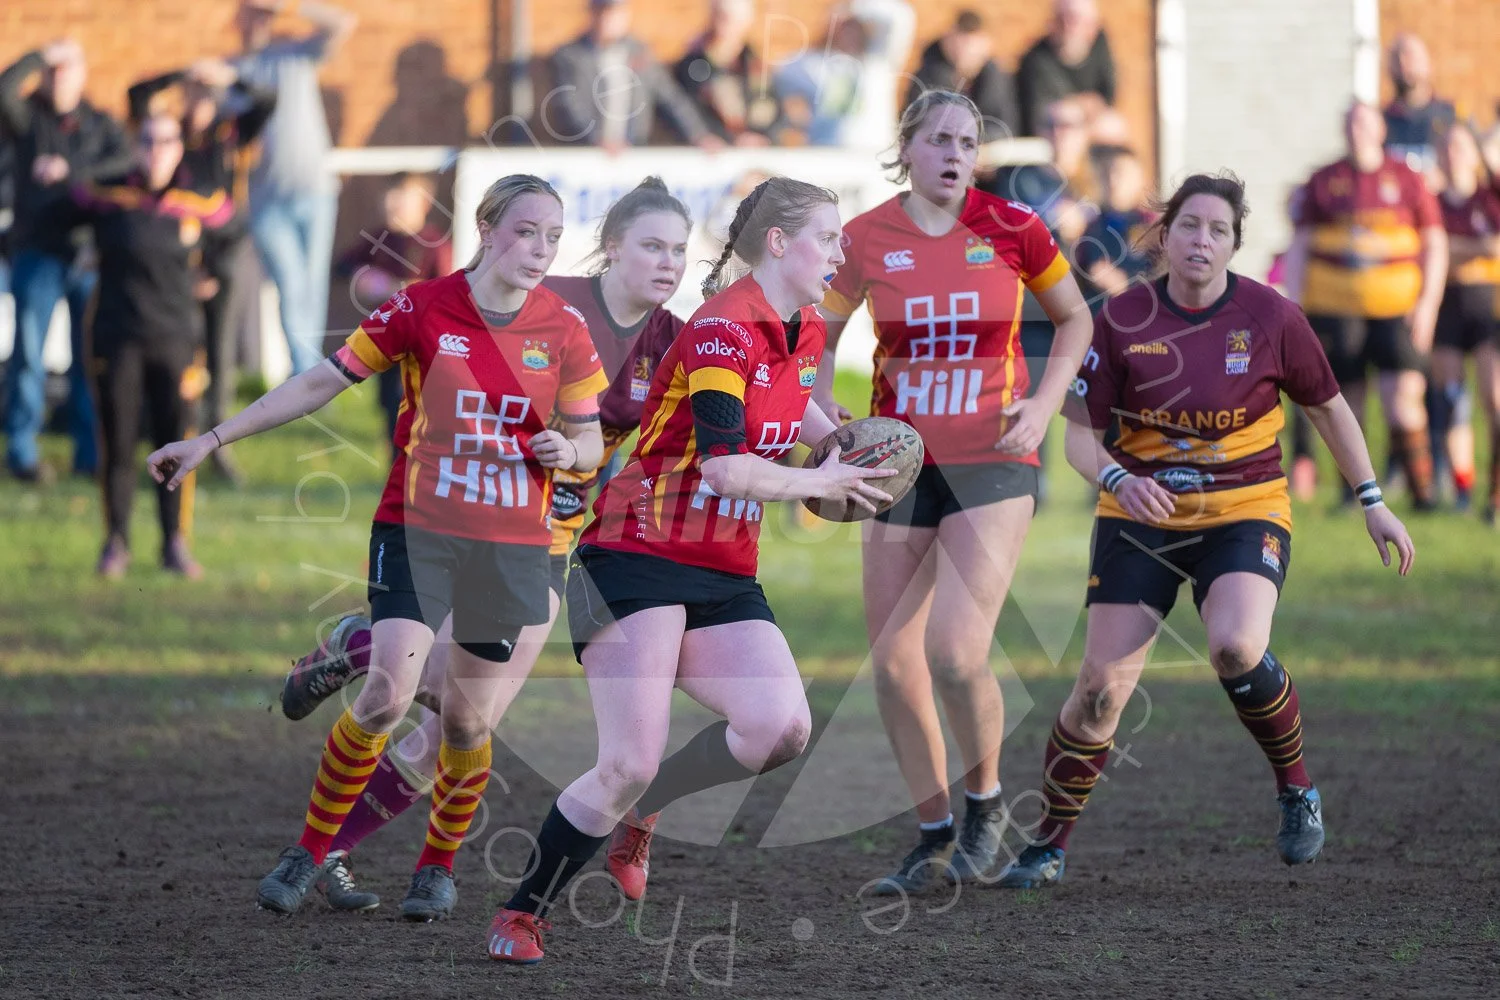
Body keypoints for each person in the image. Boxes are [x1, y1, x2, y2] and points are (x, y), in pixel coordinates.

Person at [146, 174, 608, 921]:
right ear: (488, 230)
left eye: (554, 237)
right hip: (418, 530)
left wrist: (571, 447)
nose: (541, 250)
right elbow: (321, 383)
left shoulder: (565, 328)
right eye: (527, 232)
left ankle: (436, 867)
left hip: (511, 547)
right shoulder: (423, 307)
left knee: (464, 723)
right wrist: (212, 437)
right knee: (390, 692)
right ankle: (309, 850)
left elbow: (589, 436)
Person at [485, 177, 893, 965]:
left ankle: (649, 811)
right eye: (829, 239)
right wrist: (818, 482)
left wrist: (835, 440)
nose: (841, 253)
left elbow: (792, 403)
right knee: (625, 762)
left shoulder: (803, 323)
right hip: (634, 553)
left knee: (781, 727)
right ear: (778, 243)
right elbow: (727, 468)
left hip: (722, 568)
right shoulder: (719, 330)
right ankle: (520, 914)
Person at [270, 178, 693, 911]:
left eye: (680, 251)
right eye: (652, 246)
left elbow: (747, 392)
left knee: (460, 723)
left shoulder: (674, 339)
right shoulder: (544, 294)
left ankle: (356, 670)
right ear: (612, 248)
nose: (668, 264)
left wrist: (824, 437)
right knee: (426, 698)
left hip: (548, 544)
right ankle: (362, 678)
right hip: (457, 522)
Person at [995, 172, 1416, 889]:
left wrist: (1371, 497)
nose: (1201, 241)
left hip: (1242, 510)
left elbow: (1330, 408)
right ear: (1165, 234)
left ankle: (1297, 790)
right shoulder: (1119, 317)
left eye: (1218, 230)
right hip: (1139, 515)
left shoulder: (1272, 316)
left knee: (1234, 646)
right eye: (1190, 225)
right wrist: (1122, 480)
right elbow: (1079, 441)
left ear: (1234, 244)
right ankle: (1048, 845)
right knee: (1098, 691)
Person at [811, 89, 1092, 892]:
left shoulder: (1014, 228)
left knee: (956, 652)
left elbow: (1074, 320)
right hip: (898, 462)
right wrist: (826, 405)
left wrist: (1043, 405)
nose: (953, 153)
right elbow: (818, 333)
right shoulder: (864, 239)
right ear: (907, 147)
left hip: (994, 457)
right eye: (938, 139)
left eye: (967, 142)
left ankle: (986, 804)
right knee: (895, 665)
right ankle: (933, 832)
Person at [68, 113, 233, 579]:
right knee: (118, 443)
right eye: (148, 140)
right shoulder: (110, 196)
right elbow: (61, 205)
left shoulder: (196, 200)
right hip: (117, 336)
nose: (157, 150)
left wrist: (215, 274)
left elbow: (234, 229)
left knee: (177, 444)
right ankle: (116, 541)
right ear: (135, 146)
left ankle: (174, 543)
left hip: (176, 339)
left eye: (166, 140)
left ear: (179, 147)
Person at [1282, 101, 1448, 510]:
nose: (1358, 131)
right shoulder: (1324, 180)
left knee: (1402, 396)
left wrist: (1427, 306)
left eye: (1365, 123)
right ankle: (1352, 493)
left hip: (1396, 308)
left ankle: (1421, 491)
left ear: (1379, 129)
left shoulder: (1407, 179)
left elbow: (1435, 243)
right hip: (1335, 309)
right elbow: (1300, 246)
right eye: (1351, 123)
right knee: (1345, 402)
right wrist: (1294, 306)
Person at [128, 58, 279, 483]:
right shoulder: (171, 137)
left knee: (220, 351)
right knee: (176, 352)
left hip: (224, 258)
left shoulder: (231, 132)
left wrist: (230, 77)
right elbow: (136, 97)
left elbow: (268, 100)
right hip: (176, 262)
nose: (196, 102)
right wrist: (179, 72)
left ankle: (217, 445)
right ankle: (167, 438)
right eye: (190, 94)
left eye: (203, 95)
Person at [1, 38, 131, 482]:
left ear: (82, 75)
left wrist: (72, 175)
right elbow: (3, 89)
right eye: (51, 71)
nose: (58, 78)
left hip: (87, 257)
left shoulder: (98, 125)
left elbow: (128, 161)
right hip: (36, 253)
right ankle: (21, 453)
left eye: (66, 69)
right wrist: (39, 53)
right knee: (30, 357)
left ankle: (89, 456)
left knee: (88, 360)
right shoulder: (28, 120)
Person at [232, 0, 358, 376]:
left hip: (316, 191)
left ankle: (308, 375)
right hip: (268, 200)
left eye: (263, 14)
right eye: (251, 12)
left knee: (312, 284)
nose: (258, 21)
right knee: (291, 282)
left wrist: (290, 5)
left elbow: (343, 24)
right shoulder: (233, 70)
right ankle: (305, 374)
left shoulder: (294, 55)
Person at [331, 172, 452, 444]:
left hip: (422, 345)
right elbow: (341, 265)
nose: (391, 206)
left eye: (400, 200)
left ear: (422, 203)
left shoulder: (434, 244)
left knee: (413, 405)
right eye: (388, 200)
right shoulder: (380, 240)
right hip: (386, 340)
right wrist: (361, 274)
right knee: (390, 407)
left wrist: (393, 287)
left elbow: (444, 292)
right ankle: (395, 468)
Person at [1430, 124, 1500, 518]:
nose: (1453, 154)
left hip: (1490, 305)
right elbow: (1428, 249)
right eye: (1446, 147)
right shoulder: (1433, 202)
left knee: (1494, 399)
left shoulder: (1490, 197)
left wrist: (1453, 249)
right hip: (1448, 306)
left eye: (1461, 146)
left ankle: (1495, 491)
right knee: (1454, 401)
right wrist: (1477, 249)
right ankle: (1462, 489)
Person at [547, 0, 721, 152]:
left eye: (614, 12)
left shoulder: (641, 54)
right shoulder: (571, 56)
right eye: (603, 12)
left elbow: (671, 100)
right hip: (588, 156)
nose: (607, 19)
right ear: (592, 13)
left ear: (626, 15)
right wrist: (598, 139)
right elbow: (570, 105)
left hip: (634, 155)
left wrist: (699, 135)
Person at [673, 0, 784, 146]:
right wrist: (728, 138)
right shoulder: (693, 65)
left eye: (730, 19)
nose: (723, 25)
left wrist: (763, 137)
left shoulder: (755, 63)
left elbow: (776, 110)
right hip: (714, 151)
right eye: (720, 16)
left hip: (756, 150)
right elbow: (689, 109)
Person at [905, 10, 1019, 143]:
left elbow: (1006, 127)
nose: (966, 49)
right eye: (961, 42)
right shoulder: (929, 76)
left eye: (972, 43)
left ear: (986, 44)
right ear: (947, 40)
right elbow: (924, 126)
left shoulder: (994, 77)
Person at [1015, 0, 1116, 139]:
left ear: (1092, 26)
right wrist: (1079, 105)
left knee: (1112, 126)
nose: (1068, 26)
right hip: (1053, 133)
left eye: (1075, 20)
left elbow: (1107, 96)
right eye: (1062, 19)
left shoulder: (1100, 47)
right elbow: (1039, 112)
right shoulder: (1035, 59)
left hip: (1089, 126)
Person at [1383, 34, 1455, 181]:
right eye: (1397, 58)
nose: (1403, 63)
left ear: (1428, 64)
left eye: (1410, 56)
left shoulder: (1452, 117)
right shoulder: (1380, 123)